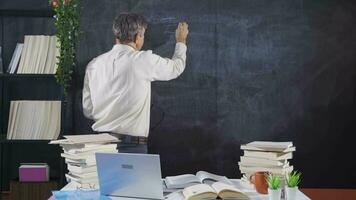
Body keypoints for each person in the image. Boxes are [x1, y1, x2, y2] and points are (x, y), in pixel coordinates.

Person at [82, 13, 189, 153]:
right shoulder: (143, 60)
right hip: (131, 147)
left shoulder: (94, 64)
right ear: (138, 36)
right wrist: (181, 41)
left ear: (117, 35)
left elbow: (88, 110)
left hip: (98, 146)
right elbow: (176, 68)